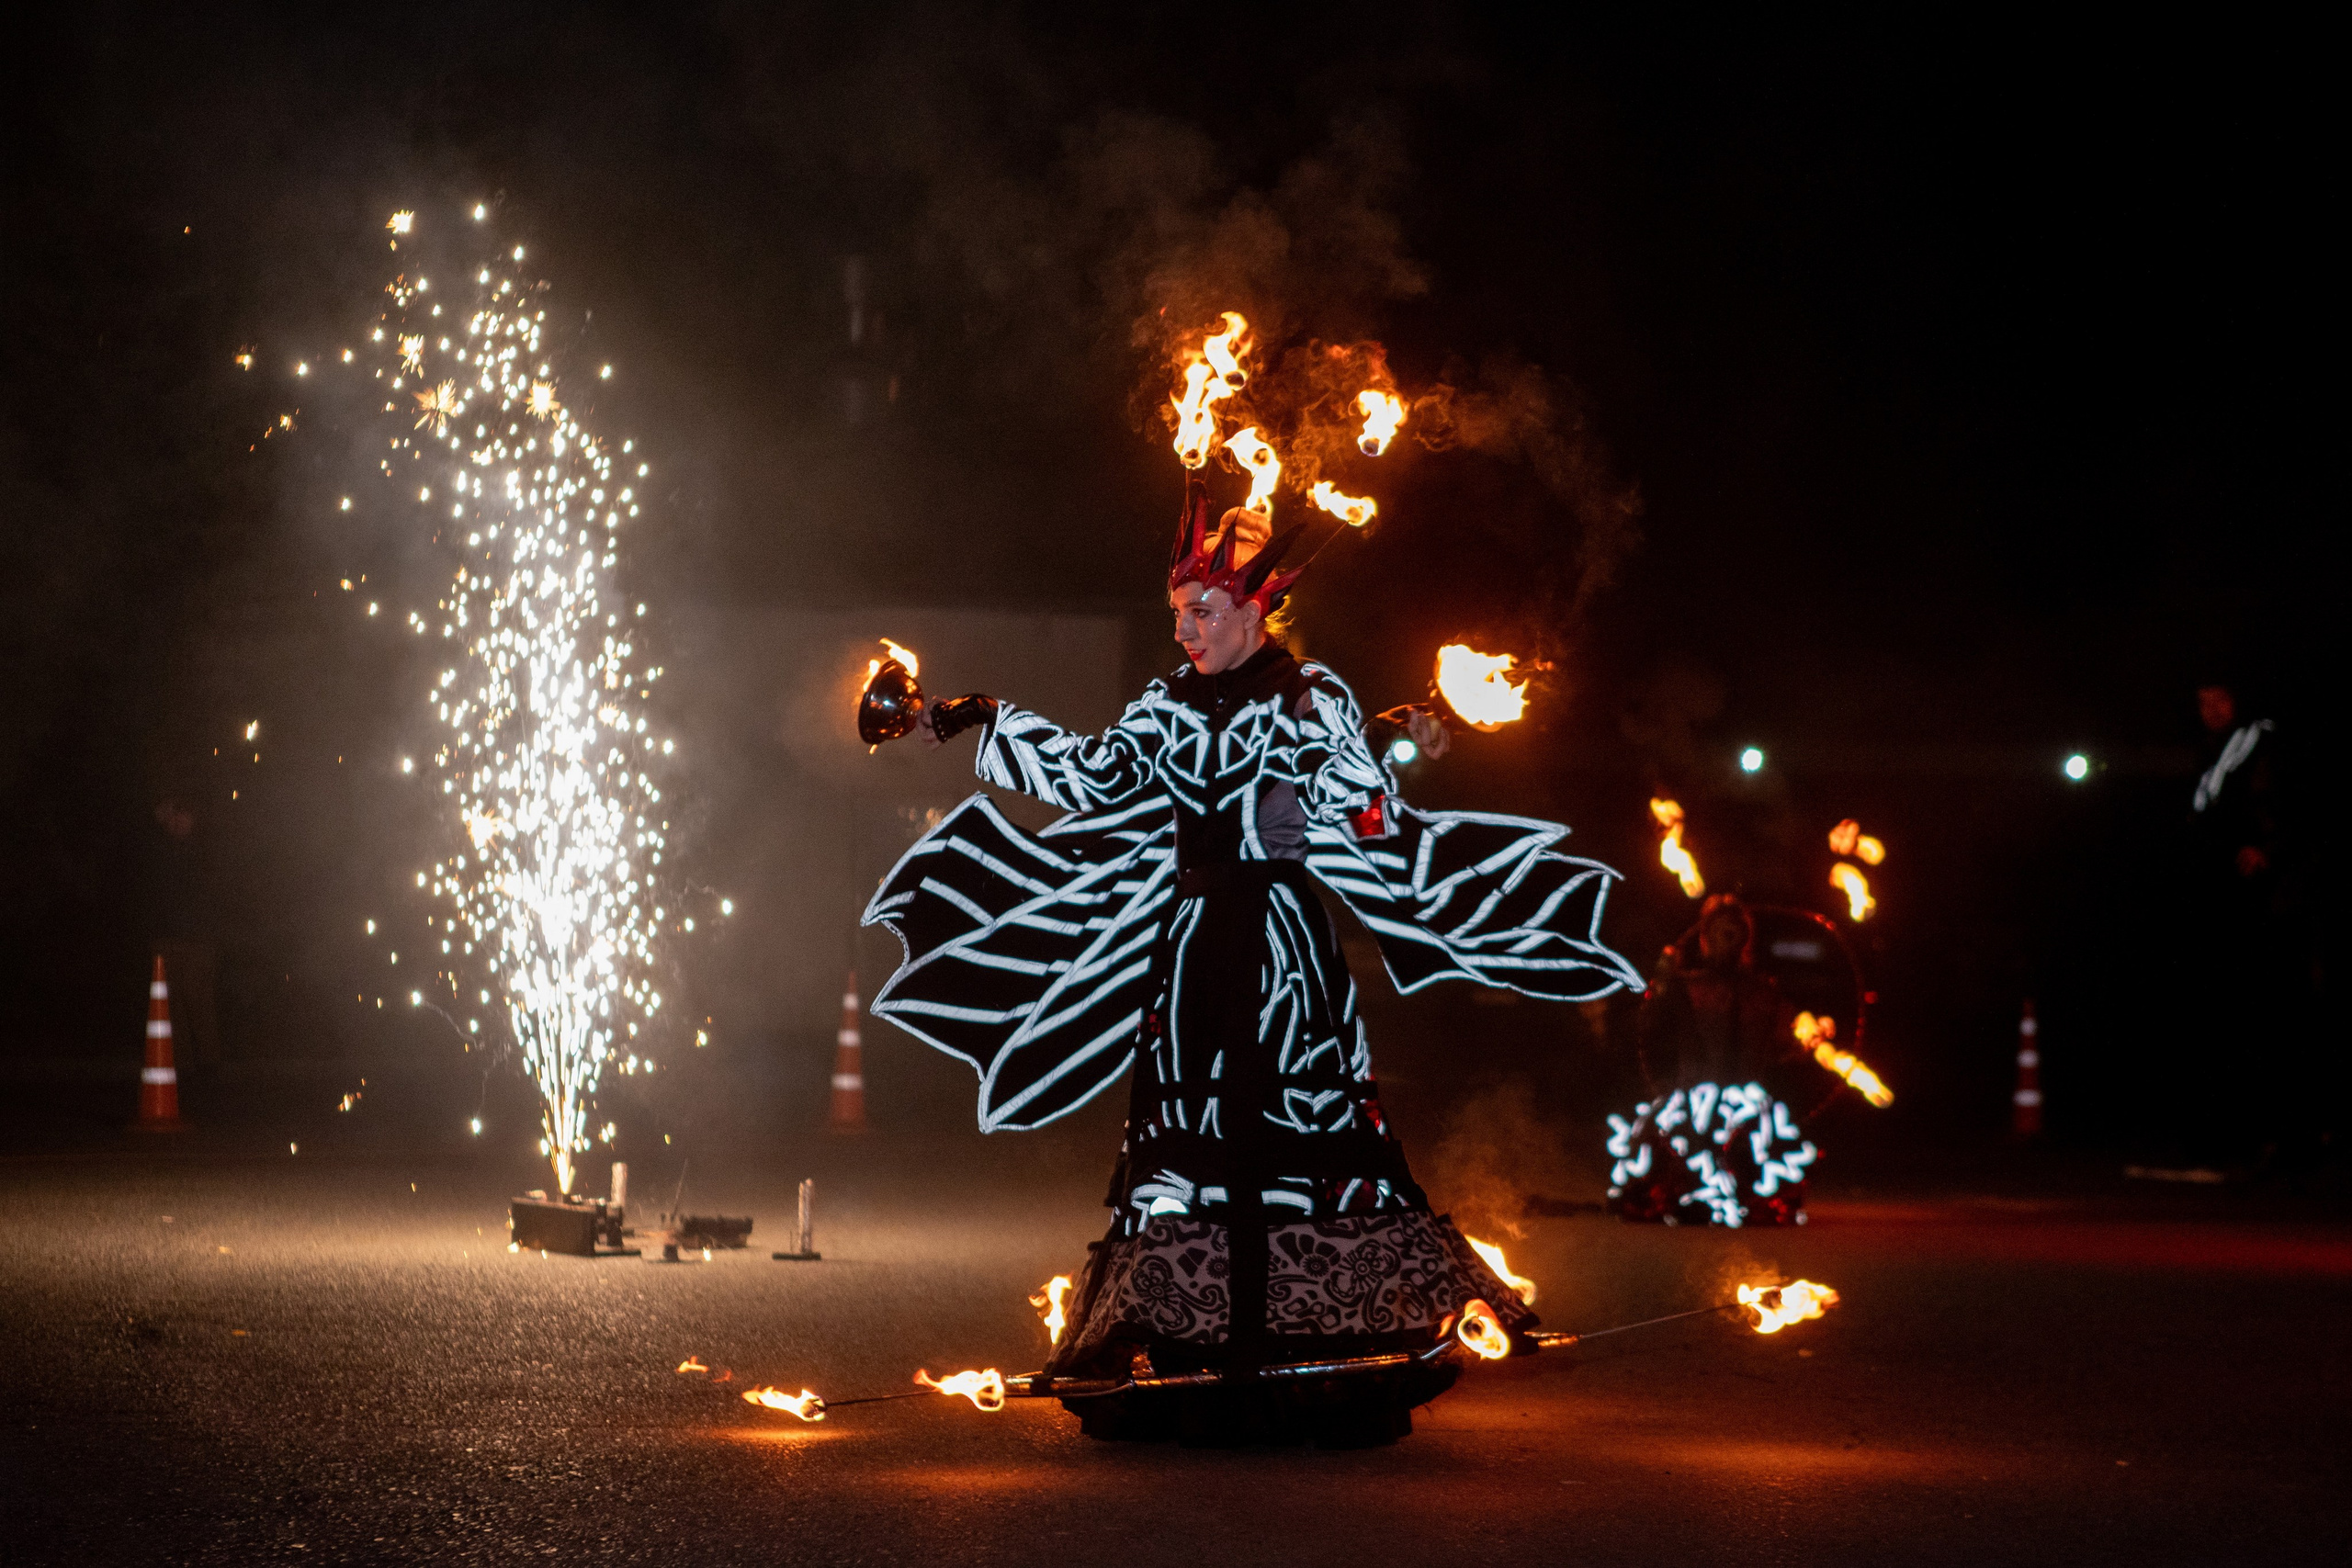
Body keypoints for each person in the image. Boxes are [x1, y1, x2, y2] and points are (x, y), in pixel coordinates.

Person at [864, 478, 1642, 1445]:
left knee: (1296, 1121)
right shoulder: (1164, 707)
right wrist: (978, 712)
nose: (1188, 628)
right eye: (1180, 612)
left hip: (1277, 939)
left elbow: (1362, 810)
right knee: (1183, 1132)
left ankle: (1315, 1344)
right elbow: (1092, 777)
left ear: (1254, 608)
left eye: (1205, 610)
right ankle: (1185, 1335)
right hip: (1193, 940)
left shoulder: (1311, 696)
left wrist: (1393, 744)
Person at [1604, 894, 1820, 1227]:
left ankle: (1734, 1196)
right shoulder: (1684, 986)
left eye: (1733, 931)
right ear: (1705, 937)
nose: (1726, 939)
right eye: (1718, 931)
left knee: (1755, 1165)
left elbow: (1785, 1042)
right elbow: (1644, 1029)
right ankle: (1690, 1195)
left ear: (1745, 937)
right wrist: (1659, 984)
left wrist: (1809, 1038)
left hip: (1747, 1103)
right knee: (1672, 1158)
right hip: (1691, 1098)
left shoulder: (1764, 990)